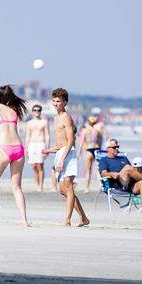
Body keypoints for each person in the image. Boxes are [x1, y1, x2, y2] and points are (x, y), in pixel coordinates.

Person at [0, 85, 30, 226]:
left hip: (4, 149)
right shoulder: (14, 111)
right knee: (17, 187)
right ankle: (24, 220)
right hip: (19, 149)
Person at [45, 88, 89, 227]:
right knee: (62, 190)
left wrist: (63, 158)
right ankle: (84, 218)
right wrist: (48, 150)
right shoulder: (55, 118)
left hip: (68, 154)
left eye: (58, 101)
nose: (55, 103)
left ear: (65, 102)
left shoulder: (66, 117)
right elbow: (60, 143)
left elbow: (70, 141)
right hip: (61, 153)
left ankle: (67, 220)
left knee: (69, 188)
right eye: (54, 101)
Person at [98, 138, 142, 213]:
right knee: (127, 168)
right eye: (114, 147)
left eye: (118, 147)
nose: (117, 149)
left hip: (130, 186)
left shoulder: (123, 158)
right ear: (108, 149)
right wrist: (111, 174)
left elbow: (133, 172)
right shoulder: (104, 160)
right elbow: (103, 173)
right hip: (117, 184)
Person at [24, 104, 50, 192]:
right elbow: (27, 136)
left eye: (38, 110)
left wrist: (47, 147)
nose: (37, 112)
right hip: (32, 144)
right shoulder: (29, 123)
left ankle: (41, 186)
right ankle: (37, 184)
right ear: (32, 112)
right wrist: (26, 147)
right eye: (35, 110)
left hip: (41, 144)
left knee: (40, 165)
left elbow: (47, 135)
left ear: (40, 111)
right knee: (33, 166)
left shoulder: (44, 122)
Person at [79, 114, 104, 192]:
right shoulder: (97, 131)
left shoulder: (85, 130)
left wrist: (79, 153)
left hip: (89, 149)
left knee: (88, 170)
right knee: (98, 170)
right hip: (96, 149)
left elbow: (82, 142)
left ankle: (86, 187)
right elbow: (100, 142)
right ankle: (100, 186)